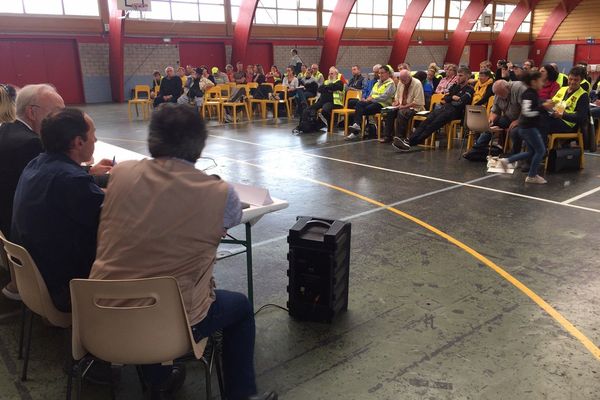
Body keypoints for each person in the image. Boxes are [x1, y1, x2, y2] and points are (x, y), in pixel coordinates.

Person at [89, 104, 277, 400]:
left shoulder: (121, 174)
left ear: (153, 139)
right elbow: (228, 220)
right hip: (170, 325)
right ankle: (241, 396)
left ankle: (160, 378)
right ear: (200, 144)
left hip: (99, 315)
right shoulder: (219, 193)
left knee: (144, 280)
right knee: (240, 307)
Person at [11, 108, 105, 312]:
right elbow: (115, 220)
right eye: (93, 134)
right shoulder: (71, 182)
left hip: (36, 281)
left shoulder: (35, 164)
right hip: (65, 289)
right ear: (78, 142)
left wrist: (92, 176)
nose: (96, 140)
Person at [393, 66, 474, 151]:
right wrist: (452, 97)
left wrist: (451, 99)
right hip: (445, 108)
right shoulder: (455, 86)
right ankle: (408, 140)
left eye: (461, 75)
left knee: (433, 124)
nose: (458, 77)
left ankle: (411, 142)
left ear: (467, 76)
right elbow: (445, 98)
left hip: (455, 112)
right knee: (427, 120)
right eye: (458, 75)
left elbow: (460, 103)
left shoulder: (469, 90)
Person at [498, 71, 548, 184]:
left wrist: (544, 106)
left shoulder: (533, 93)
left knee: (532, 152)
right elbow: (527, 112)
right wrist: (543, 108)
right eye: (541, 81)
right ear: (534, 82)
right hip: (528, 128)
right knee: (540, 150)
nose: (543, 83)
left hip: (527, 127)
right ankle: (532, 175)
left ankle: (507, 161)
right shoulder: (529, 94)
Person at [539, 66, 590, 142]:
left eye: (576, 80)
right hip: (555, 117)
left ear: (581, 80)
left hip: (568, 125)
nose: (572, 82)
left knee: (542, 123)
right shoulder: (563, 89)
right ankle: (537, 149)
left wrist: (562, 115)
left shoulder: (583, 95)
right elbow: (553, 103)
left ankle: (541, 151)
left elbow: (581, 117)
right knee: (536, 118)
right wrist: (548, 104)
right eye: (570, 79)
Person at [347, 65, 396, 140]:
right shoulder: (377, 83)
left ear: (388, 73)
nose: (380, 75)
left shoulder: (391, 84)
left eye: (382, 73)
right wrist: (366, 99)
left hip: (382, 104)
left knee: (361, 110)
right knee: (359, 103)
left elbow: (385, 97)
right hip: (373, 102)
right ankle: (356, 125)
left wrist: (371, 99)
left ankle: (356, 131)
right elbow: (371, 94)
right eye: (379, 73)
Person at [380, 69, 425, 143]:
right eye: (401, 80)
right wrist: (396, 102)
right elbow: (397, 96)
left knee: (401, 113)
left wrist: (404, 106)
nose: (402, 82)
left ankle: (400, 137)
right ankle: (387, 136)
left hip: (414, 107)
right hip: (401, 106)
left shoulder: (417, 83)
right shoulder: (401, 82)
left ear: (409, 77)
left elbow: (418, 102)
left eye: (404, 80)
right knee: (390, 112)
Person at [307, 67, 344, 131]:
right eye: (329, 73)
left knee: (324, 109)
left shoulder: (339, 82)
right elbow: (320, 89)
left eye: (332, 73)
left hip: (335, 102)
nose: (330, 75)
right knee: (310, 108)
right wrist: (328, 88)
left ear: (336, 74)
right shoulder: (326, 81)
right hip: (323, 101)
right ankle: (313, 124)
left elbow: (335, 87)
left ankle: (329, 123)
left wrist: (327, 88)